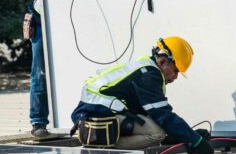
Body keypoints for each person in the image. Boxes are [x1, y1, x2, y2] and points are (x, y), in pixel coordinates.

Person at [28, 0, 115, 137]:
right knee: (41, 72)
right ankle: (38, 122)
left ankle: (80, 117)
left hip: (77, 24)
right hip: (45, 21)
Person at [71, 36, 214, 153]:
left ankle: (102, 140)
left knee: (155, 127)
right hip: (94, 114)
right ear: (163, 61)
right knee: (155, 134)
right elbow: (163, 116)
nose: (175, 77)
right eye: (175, 70)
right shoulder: (149, 76)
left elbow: (153, 115)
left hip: (97, 112)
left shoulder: (147, 69)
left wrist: (184, 136)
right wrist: (196, 141)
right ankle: (100, 145)